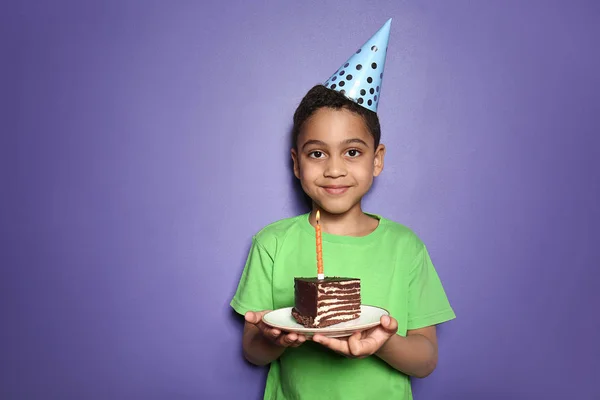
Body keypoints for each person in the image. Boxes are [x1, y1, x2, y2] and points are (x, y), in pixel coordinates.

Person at [230, 19, 455, 400]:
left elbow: (426, 360)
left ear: (377, 160)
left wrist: (381, 342)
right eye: (317, 153)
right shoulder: (271, 243)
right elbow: (252, 353)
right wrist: (277, 339)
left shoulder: (406, 247)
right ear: (297, 163)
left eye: (352, 152)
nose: (334, 169)